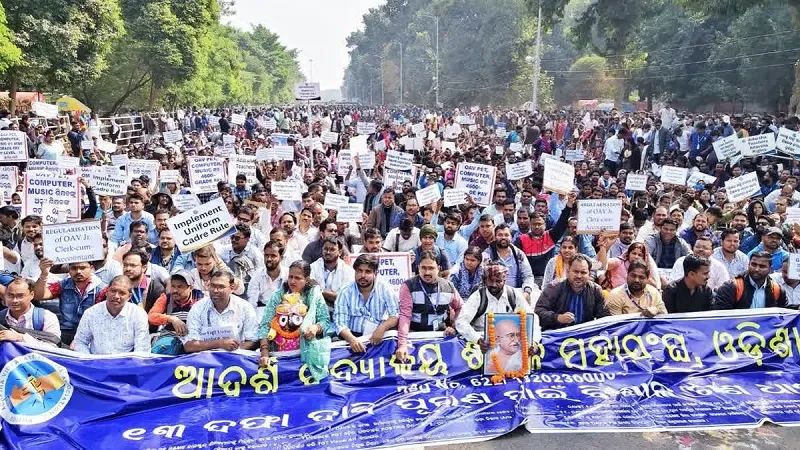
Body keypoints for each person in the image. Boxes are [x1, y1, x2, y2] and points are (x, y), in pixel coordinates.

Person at [258, 261, 331, 382]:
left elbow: (325, 321)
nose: (292, 281)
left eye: (298, 278)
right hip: (280, 351)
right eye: (290, 277)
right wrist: (265, 353)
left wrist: (315, 328)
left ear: (306, 279)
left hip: (306, 350)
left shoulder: (314, 296)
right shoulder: (278, 296)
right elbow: (265, 324)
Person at [395, 250, 464, 361]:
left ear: (438, 268)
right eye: (423, 268)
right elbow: (405, 316)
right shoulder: (408, 286)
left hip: (441, 336)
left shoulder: (448, 286)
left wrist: (454, 327)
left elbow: (461, 308)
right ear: (418, 267)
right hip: (415, 337)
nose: (427, 272)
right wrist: (402, 345)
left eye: (431, 268)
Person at [455, 262, 538, 349]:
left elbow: (533, 319)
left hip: (510, 343)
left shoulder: (514, 295)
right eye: (491, 280)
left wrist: (534, 341)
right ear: (485, 280)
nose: (494, 285)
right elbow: (461, 322)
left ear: (504, 280)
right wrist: (477, 339)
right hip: (482, 344)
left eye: (498, 281)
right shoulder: (478, 296)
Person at [333, 254, 399, 353]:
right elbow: (340, 323)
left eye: (368, 271)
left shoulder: (385, 289)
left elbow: (395, 315)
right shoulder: (345, 291)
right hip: (351, 338)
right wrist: (352, 340)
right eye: (359, 271)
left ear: (375, 273)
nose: (362, 275)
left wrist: (382, 328)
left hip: (377, 338)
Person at [34, 259, 107, 346]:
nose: (78, 271)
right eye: (74, 268)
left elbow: (100, 321)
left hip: (90, 333)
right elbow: (40, 296)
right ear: (69, 269)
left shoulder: (102, 289)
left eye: (83, 268)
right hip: (66, 331)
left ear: (91, 268)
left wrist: (79, 339)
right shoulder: (64, 284)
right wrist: (44, 273)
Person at [183, 270, 259, 353]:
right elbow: (189, 346)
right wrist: (219, 343)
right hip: (205, 359)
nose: (215, 290)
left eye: (221, 287)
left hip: (235, 357)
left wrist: (233, 350)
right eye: (212, 286)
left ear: (232, 288)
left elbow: (252, 341)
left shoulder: (245, 307)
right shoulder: (198, 308)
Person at [72, 276, 150, 355]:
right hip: (96, 362)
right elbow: (80, 342)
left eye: (122, 293)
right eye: (113, 291)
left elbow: (142, 348)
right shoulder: (91, 313)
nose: (116, 296)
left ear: (129, 297)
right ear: (106, 292)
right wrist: (89, 361)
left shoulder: (138, 314)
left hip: (126, 363)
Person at [534, 254, 609, 330]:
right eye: (576, 272)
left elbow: (605, 317)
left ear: (589, 275)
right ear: (567, 272)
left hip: (585, 336)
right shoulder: (554, 287)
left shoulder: (595, 290)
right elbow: (538, 312)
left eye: (583, 273)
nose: (579, 276)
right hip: (557, 335)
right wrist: (557, 318)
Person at [515, 192, 575, 286]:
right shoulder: (521, 240)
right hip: (527, 279)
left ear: (545, 225)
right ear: (530, 224)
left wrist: (569, 204)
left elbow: (562, 223)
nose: (537, 227)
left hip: (549, 278)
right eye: (534, 224)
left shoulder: (550, 236)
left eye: (540, 224)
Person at [147, 271, 207, 354]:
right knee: (160, 352)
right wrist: (172, 319)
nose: (175, 290)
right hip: (170, 335)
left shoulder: (202, 298)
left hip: (195, 336)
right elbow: (151, 317)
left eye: (179, 287)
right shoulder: (166, 297)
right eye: (173, 286)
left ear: (190, 287)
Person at [712, 252, 787, 310]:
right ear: (748, 265)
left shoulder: (777, 290)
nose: (757, 269)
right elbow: (720, 315)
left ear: (770, 269)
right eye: (753, 265)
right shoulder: (731, 287)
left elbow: (784, 314)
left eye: (762, 266)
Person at [0, 277, 61, 348]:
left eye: (20, 296)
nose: (14, 300)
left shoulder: (46, 317)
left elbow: (53, 347)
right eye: (10, 295)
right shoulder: (1, 317)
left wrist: (20, 338)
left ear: (32, 295)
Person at [310, 237, 355, 311]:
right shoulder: (313, 267)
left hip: (340, 310)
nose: (328, 252)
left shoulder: (348, 271)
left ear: (340, 252)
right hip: (316, 309)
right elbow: (311, 292)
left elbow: (344, 298)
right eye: (325, 249)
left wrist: (320, 291)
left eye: (332, 250)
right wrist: (332, 294)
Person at [247, 240, 289, 315]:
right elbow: (252, 301)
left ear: (281, 258)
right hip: (261, 311)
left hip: (283, 311)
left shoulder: (288, 275)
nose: (269, 259)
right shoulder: (258, 274)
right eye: (266, 255)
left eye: (273, 256)